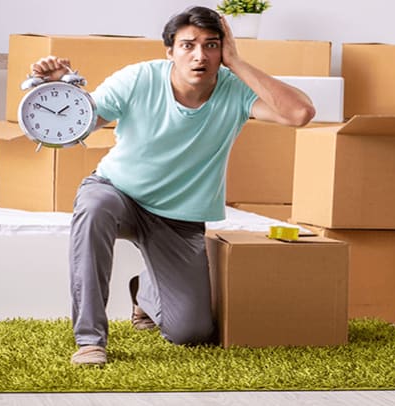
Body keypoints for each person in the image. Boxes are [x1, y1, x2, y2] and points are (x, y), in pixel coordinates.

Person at [29, 6, 315, 366]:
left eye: (211, 45)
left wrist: (237, 62)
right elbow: (80, 126)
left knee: (191, 333)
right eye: (188, 45)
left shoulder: (235, 91)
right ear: (169, 51)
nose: (200, 55)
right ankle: (90, 340)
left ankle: (144, 291)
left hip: (178, 217)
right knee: (94, 207)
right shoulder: (138, 79)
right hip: (118, 193)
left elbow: (300, 114)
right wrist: (61, 88)